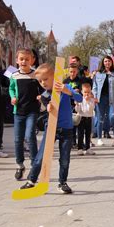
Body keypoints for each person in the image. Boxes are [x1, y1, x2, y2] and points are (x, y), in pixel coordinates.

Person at [20, 63, 83, 193]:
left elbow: (80, 98)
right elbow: (44, 108)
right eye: (40, 81)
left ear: (54, 76)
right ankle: (31, 180)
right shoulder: (45, 95)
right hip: (52, 129)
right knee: (41, 156)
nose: (43, 83)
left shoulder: (65, 87)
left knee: (65, 158)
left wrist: (69, 92)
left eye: (46, 79)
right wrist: (46, 107)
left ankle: (62, 183)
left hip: (67, 129)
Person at [9, 49, 42, 180]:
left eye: (27, 59)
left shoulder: (36, 75)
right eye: (21, 59)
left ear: (32, 60)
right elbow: (11, 88)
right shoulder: (14, 75)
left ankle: (34, 165)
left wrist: (41, 96)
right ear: (17, 60)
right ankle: (20, 164)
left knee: (30, 137)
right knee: (18, 139)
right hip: (18, 112)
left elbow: (43, 88)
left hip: (32, 112)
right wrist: (12, 97)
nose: (24, 61)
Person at [92, 56, 114, 147]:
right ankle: (99, 139)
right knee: (100, 119)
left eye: (109, 61)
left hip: (111, 99)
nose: (107, 63)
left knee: (112, 117)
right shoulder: (98, 74)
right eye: (105, 61)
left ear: (111, 62)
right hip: (100, 99)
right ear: (103, 63)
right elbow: (94, 87)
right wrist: (95, 97)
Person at [64, 63, 82, 148]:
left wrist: (79, 91)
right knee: (70, 122)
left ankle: (77, 141)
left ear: (77, 71)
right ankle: (72, 141)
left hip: (77, 104)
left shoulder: (80, 81)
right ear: (68, 71)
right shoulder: (65, 81)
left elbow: (83, 91)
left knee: (77, 123)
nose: (72, 73)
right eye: (71, 71)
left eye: (74, 72)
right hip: (68, 104)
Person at [76, 82, 95, 155]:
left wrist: (88, 101)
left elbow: (91, 109)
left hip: (89, 118)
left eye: (88, 92)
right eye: (85, 92)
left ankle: (88, 148)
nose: (86, 94)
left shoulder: (91, 100)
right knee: (80, 134)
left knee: (88, 134)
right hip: (81, 118)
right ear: (82, 92)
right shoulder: (80, 99)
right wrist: (77, 105)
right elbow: (78, 110)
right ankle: (80, 148)